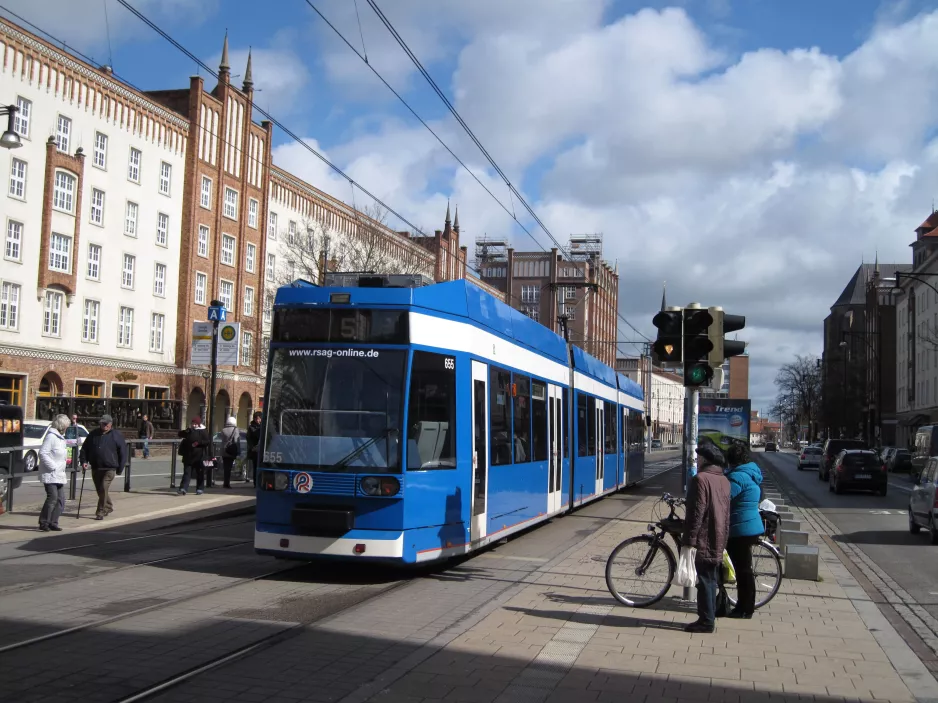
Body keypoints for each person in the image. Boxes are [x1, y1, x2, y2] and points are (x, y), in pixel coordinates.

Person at [682, 443, 731, 633]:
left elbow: (696, 513)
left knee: (703, 580)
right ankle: (708, 618)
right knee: (710, 579)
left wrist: (689, 539)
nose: (697, 460)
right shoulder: (724, 480)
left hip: (704, 536)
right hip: (719, 535)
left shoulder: (700, 480)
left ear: (705, 460)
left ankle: (706, 621)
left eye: (699, 457)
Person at [723, 444, 765, 619]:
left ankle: (744, 609)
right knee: (744, 570)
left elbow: (724, 498)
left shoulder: (737, 477)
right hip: (750, 526)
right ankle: (745, 607)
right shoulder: (751, 473)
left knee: (742, 571)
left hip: (740, 528)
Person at [79, 414, 128, 521]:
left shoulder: (116, 435)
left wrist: (120, 468)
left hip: (110, 468)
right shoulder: (93, 434)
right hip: (96, 467)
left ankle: (100, 511)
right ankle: (108, 506)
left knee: (103, 488)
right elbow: (84, 449)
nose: (104, 425)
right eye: (102, 423)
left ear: (110, 424)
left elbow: (123, 452)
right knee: (101, 491)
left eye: (106, 424)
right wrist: (84, 461)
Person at [38, 414, 70, 532]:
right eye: (66, 426)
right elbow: (43, 453)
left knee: (61, 500)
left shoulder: (61, 438)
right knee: (53, 497)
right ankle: (44, 522)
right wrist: (53, 466)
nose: (67, 428)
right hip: (50, 474)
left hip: (59, 474)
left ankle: (53, 522)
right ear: (61, 426)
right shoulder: (51, 437)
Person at [178, 416, 211, 496]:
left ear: (199, 424)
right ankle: (183, 488)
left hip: (199, 456)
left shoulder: (203, 431)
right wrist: (186, 430)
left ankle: (200, 488)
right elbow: (180, 434)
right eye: (193, 423)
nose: (194, 425)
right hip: (188, 456)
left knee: (200, 473)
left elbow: (207, 441)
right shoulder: (189, 430)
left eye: (196, 424)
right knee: (187, 473)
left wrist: (198, 443)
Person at [219, 416, 240, 489]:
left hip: (224, 451)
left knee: (226, 467)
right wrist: (237, 450)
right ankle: (228, 483)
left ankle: (225, 482)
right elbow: (236, 440)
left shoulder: (223, 430)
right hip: (231, 450)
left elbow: (221, 439)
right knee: (230, 467)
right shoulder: (236, 430)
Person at [246, 411, 262, 484]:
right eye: (256, 419)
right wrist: (252, 447)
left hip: (261, 449)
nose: (257, 420)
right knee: (255, 466)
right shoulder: (251, 427)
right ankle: (255, 483)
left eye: (258, 419)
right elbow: (248, 438)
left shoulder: (263, 426)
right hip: (255, 450)